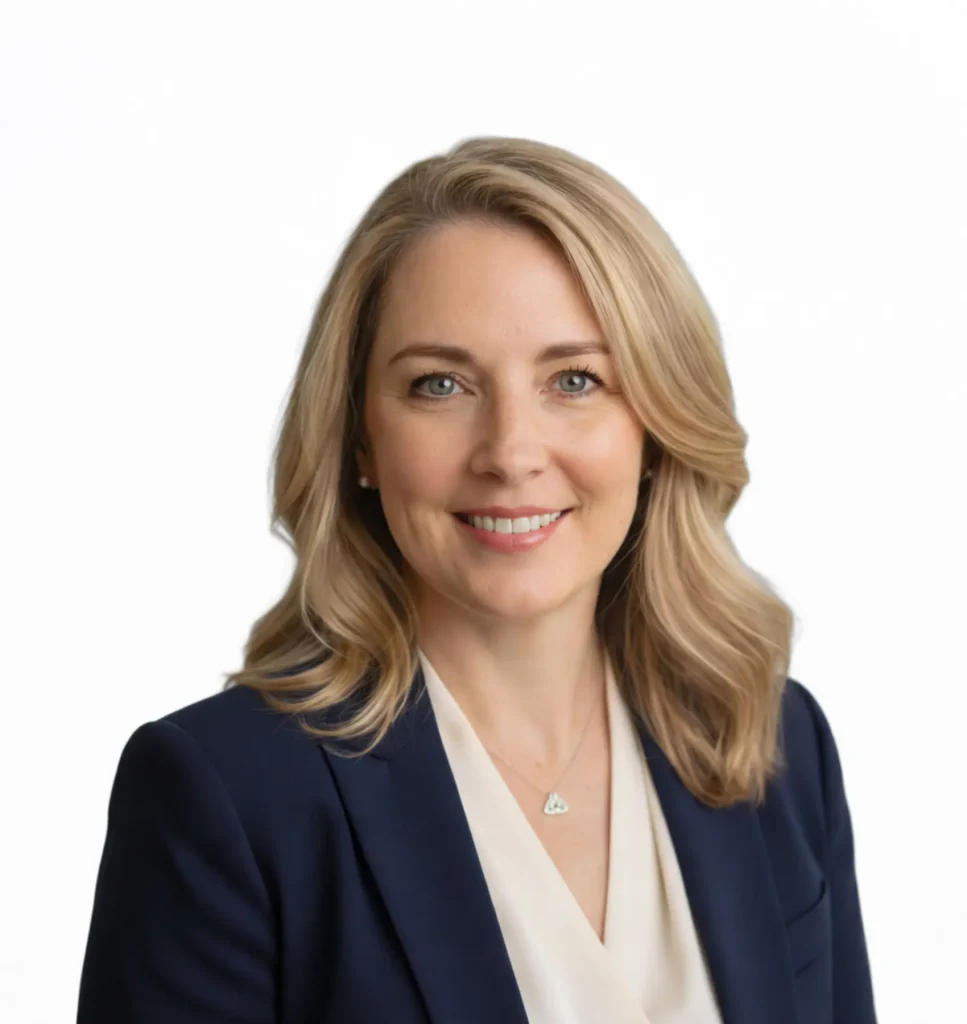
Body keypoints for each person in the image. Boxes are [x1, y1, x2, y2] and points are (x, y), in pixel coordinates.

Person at [77, 136, 877, 1024]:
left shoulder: (770, 742)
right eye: (440, 386)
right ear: (359, 440)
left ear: (653, 426)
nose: (510, 454)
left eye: (574, 380)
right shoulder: (225, 797)